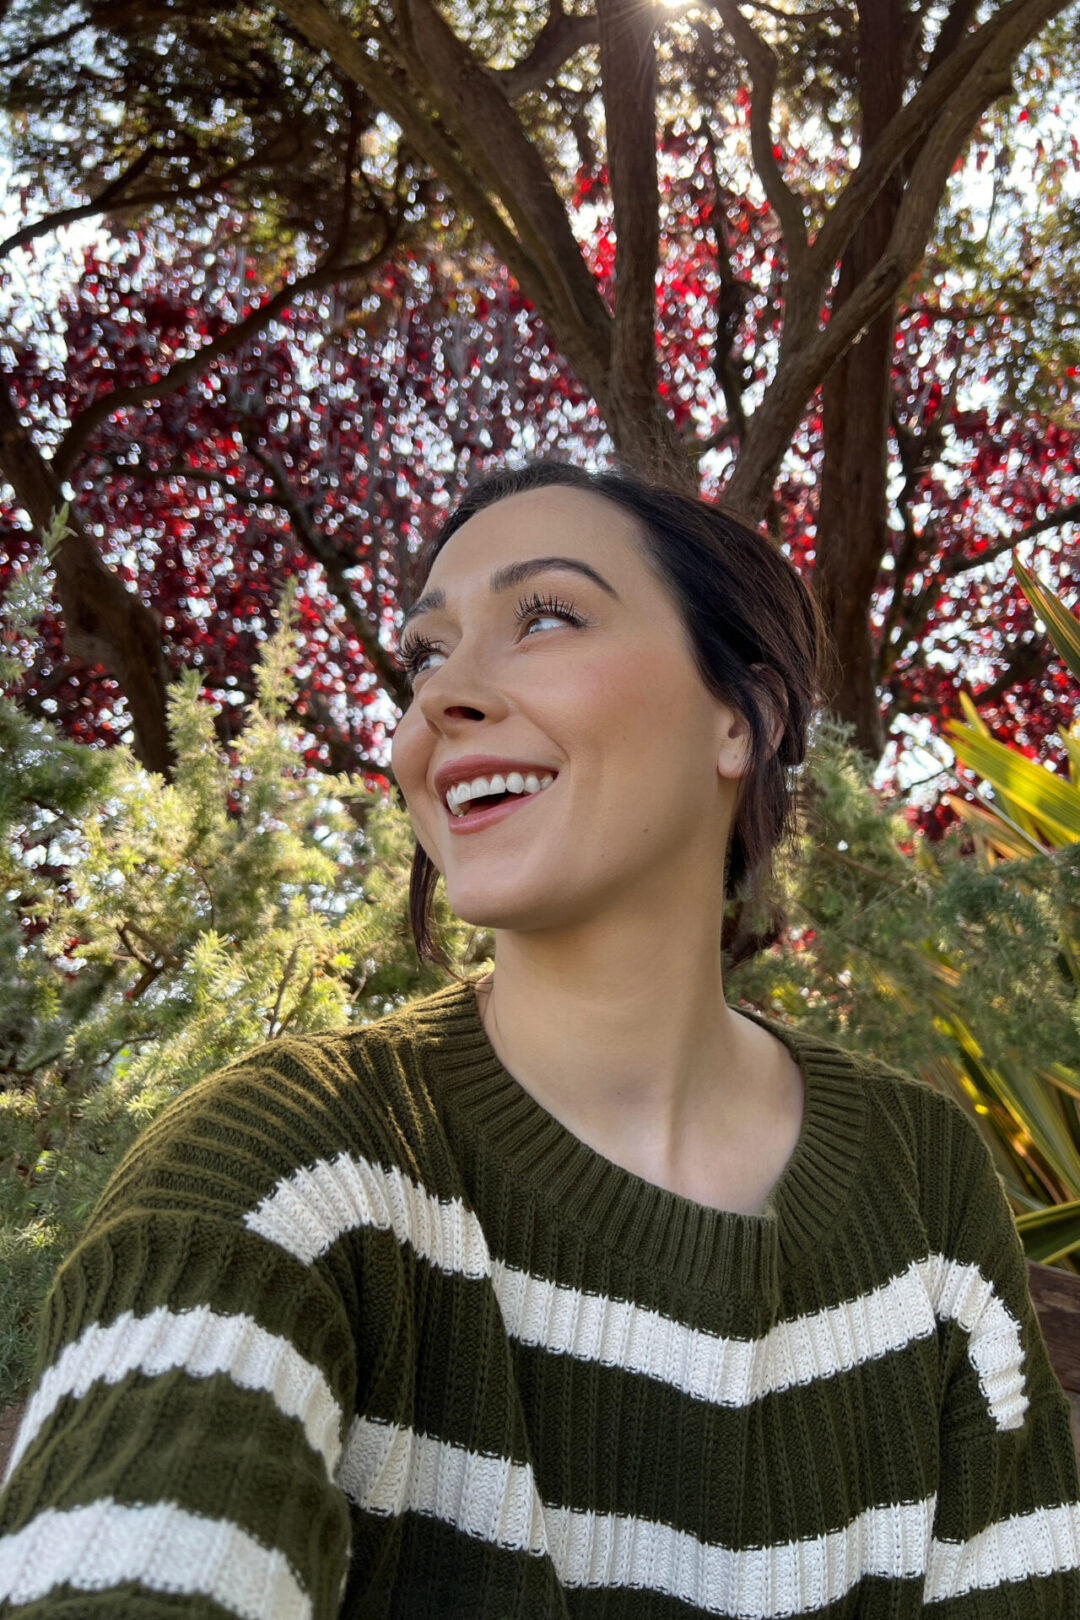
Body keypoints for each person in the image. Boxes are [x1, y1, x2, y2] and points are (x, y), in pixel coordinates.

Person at [0, 459, 1078, 1619]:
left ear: (744, 719)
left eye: (547, 616)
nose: (438, 700)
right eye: (424, 654)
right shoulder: (290, 1166)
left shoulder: (923, 1183)